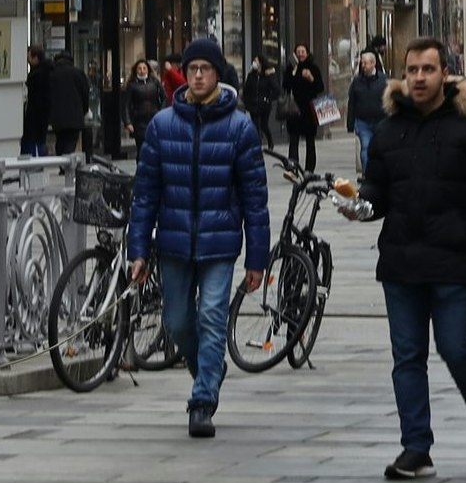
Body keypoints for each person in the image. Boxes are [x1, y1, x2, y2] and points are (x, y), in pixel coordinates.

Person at [350, 37, 466, 481]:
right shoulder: (388, 131)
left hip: (455, 259)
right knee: (407, 356)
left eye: (428, 69)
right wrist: (359, 205)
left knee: (456, 348)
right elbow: (377, 191)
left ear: (447, 74)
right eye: (412, 70)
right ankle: (415, 447)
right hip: (401, 261)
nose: (419, 78)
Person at [126, 39, 271, 441]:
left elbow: (255, 199)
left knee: (210, 313)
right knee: (175, 320)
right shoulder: (162, 124)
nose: (198, 75)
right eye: (192, 69)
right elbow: (146, 193)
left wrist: (257, 258)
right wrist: (137, 249)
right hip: (172, 240)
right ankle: (210, 367)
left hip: (219, 241)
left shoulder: (240, 127)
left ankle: (203, 399)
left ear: (218, 74)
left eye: (206, 69)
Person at [282, 44, 325, 173]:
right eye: (298, 51)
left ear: (307, 53)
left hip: (309, 109)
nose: (300, 54)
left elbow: (320, 87)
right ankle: (293, 167)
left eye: (303, 51)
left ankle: (309, 169)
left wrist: (311, 78)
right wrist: (293, 73)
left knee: (310, 140)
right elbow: (285, 86)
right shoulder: (291, 68)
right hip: (294, 108)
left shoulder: (313, 68)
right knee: (293, 139)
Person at [346, 50, 389, 173]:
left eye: (366, 63)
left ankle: (380, 172)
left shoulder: (384, 80)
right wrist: (350, 123)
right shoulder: (357, 82)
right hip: (363, 122)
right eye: (362, 63)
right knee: (365, 147)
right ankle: (367, 174)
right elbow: (352, 103)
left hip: (381, 121)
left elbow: (389, 101)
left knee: (380, 148)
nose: (363, 66)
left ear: (373, 63)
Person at [41, 50, 91, 156]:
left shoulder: (51, 74)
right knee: (71, 142)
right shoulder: (78, 73)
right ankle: (66, 166)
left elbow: (46, 95)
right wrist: (84, 110)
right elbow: (85, 93)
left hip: (57, 116)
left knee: (60, 140)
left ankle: (62, 165)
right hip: (75, 115)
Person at [21, 46, 52, 156]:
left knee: (32, 141)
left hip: (35, 113)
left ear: (36, 58)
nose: (27, 60)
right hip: (43, 113)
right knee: (40, 140)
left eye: (29, 57)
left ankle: (35, 163)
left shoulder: (36, 75)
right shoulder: (49, 71)